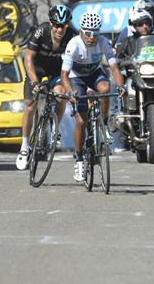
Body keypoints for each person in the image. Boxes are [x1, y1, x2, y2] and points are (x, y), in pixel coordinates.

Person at [61, 12, 124, 182]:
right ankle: (79, 159)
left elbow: (114, 69)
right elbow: (64, 75)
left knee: (106, 88)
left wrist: (120, 86)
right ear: (81, 32)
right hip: (76, 78)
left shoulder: (103, 42)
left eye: (95, 33)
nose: (91, 37)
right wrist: (70, 93)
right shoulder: (73, 44)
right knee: (81, 121)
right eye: (88, 33)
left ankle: (103, 124)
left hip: (95, 73)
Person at [15, 4, 77, 170]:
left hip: (55, 69)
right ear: (51, 24)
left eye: (63, 26)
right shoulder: (41, 32)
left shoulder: (71, 35)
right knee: (30, 106)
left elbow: (79, 57)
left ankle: (54, 129)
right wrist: (35, 82)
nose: (59, 30)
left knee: (61, 94)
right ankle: (24, 145)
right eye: (56, 25)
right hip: (36, 68)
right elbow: (28, 57)